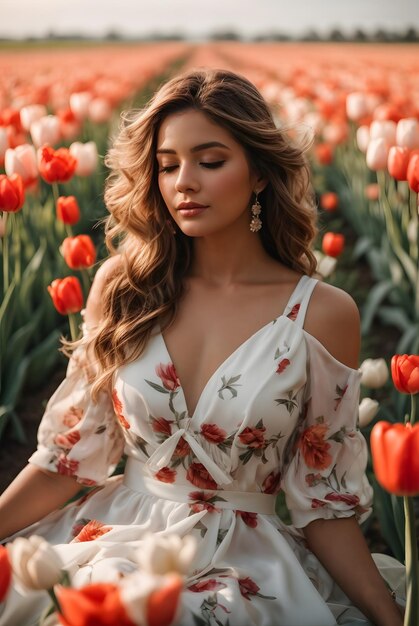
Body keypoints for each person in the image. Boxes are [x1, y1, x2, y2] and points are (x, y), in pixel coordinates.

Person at [0, 68, 405, 626]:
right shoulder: (124, 289)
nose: (183, 182)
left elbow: (324, 501)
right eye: (168, 166)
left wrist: (389, 615)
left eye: (210, 161)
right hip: (117, 539)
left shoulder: (322, 314)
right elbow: (67, 461)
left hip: (246, 559)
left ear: (260, 173)